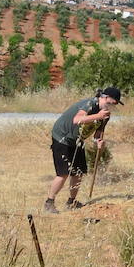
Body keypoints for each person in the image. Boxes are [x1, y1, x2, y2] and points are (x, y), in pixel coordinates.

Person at [44, 86, 121, 214]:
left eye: (115, 104)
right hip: (62, 137)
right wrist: (98, 115)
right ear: (106, 97)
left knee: (78, 172)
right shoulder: (90, 104)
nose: (113, 106)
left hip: (78, 140)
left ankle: (72, 202)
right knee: (63, 173)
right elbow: (77, 120)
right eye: (113, 102)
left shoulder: (105, 115)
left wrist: (98, 142)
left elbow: (98, 133)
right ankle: (49, 202)